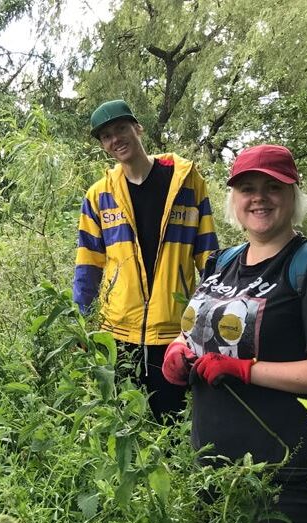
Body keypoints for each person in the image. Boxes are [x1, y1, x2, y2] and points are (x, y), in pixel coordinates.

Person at [162, 144, 307, 523]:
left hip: (286, 471)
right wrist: (179, 350)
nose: (259, 197)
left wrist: (243, 369)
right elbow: (196, 333)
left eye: (273, 187)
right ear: (234, 199)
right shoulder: (221, 262)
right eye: (247, 188)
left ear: (293, 195)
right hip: (216, 465)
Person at [73, 99, 218, 423]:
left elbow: (209, 258)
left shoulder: (187, 182)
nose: (116, 139)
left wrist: (208, 326)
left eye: (121, 129)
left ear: (138, 128)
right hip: (118, 333)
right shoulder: (99, 196)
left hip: (174, 333)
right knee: (126, 427)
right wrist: (82, 324)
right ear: (103, 145)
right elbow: (88, 266)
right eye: (106, 136)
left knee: (173, 426)